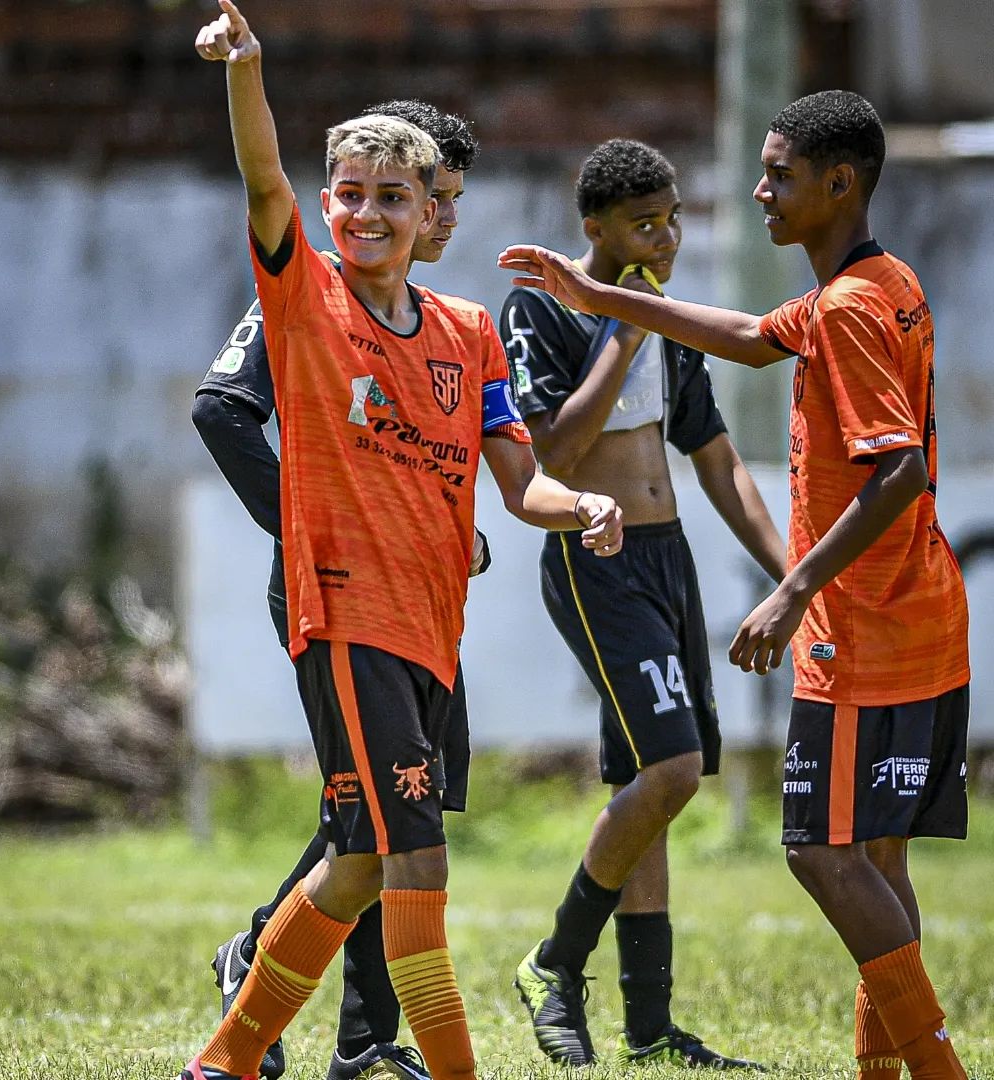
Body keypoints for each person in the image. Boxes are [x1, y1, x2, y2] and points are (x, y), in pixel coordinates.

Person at [182, 5, 624, 1080]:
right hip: (346, 610)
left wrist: (584, 508)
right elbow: (260, 179)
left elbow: (522, 484)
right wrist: (246, 70)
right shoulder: (305, 297)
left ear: (434, 215)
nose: (365, 213)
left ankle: (224, 1060)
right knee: (411, 857)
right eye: (349, 194)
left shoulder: (471, 334)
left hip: (432, 628)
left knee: (358, 866)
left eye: (393, 197)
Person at [499, 90, 970, 1080]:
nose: (758, 190)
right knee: (874, 854)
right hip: (916, 608)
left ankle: (933, 1068)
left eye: (779, 175)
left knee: (819, 851)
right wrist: (604, 302)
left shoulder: (846, 311)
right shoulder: (877, 283)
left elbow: (898, 470)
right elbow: (752, 335)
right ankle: (878, 1069)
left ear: (838, 184)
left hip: (865, 621)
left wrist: (793, 589)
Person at [193, 98, 485, 1080]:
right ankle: (335, 1027)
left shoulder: (447, 328)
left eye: (442, 200)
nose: (441, 219)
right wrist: (321, 517)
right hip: (333, 578)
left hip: (414, 587)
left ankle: (342, 1038)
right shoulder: (310, 292)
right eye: (432, 196)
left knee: (376, 825)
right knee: (384, 825)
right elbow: (222, 410)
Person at [501, 138, 783, 1069]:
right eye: (641, 225)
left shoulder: (666, 313)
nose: (661, 241)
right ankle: (555, 961)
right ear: (595, 228)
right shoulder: (543, 306)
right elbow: (556, 454)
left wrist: (791, 575)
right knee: (672, 766)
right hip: (594, 555)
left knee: (656, 783)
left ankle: (652, 1029)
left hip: (665, 558)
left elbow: (714, 457)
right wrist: (626, 330)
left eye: (670, 221)